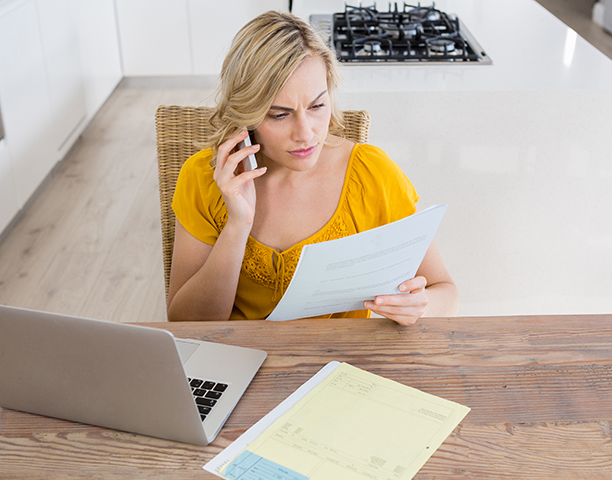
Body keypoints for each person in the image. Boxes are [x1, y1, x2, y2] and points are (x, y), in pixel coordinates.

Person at [167, 11, 458, 325]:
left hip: (343, 368)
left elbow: (446, 291)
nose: (306, 133)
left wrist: (419, 307)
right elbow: (186, 323)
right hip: (239, 364)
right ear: (248, 114)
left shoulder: (373, 175)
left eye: (317, 106)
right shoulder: (204, 178)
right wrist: (238, 224)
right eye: (280, 115)